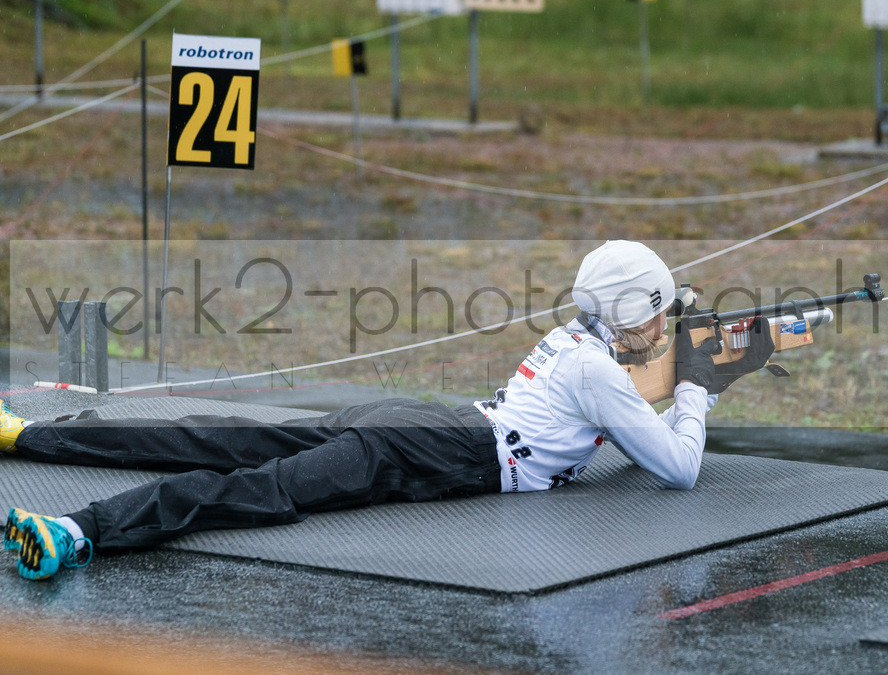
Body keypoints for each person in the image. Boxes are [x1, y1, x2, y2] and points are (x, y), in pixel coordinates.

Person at [1, 240, 744, 582]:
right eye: (657, 312)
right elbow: (677, 466)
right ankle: (75, 532)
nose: (662, 327)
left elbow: (619, 393)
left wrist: (685, 375)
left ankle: (26, 434)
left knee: (225, 438)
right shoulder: (596, 368)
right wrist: (699, 390)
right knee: (260, 489)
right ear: (623, 311)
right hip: (427, 449)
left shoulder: (572, 342)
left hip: (419, 420)